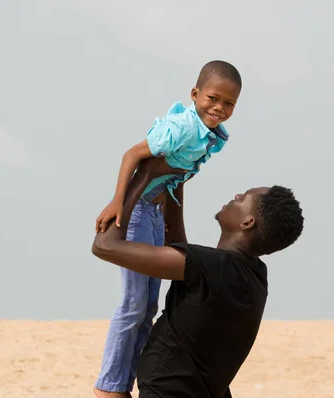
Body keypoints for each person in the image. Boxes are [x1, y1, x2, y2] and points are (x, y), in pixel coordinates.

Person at [92, 156, 305, 397]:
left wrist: (142, 178)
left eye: (244, 197)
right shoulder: (253, 275)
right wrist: (176, 182)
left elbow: (105, 246)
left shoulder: (213, 266)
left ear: (247, 222)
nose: (236, 196)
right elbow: (179, 246)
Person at [92, 61, 243, 397]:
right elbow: (134, 155)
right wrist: (118, 202)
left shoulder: (211, 136)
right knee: (133, 303)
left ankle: (125, 382)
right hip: (138, 210)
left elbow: (177, 179)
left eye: (229, 103)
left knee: (148, 307)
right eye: (213, 99)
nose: (219, 108)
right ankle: (109, 387)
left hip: (157, 214)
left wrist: (178, 235)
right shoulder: (182, 128)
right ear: (195, 94)